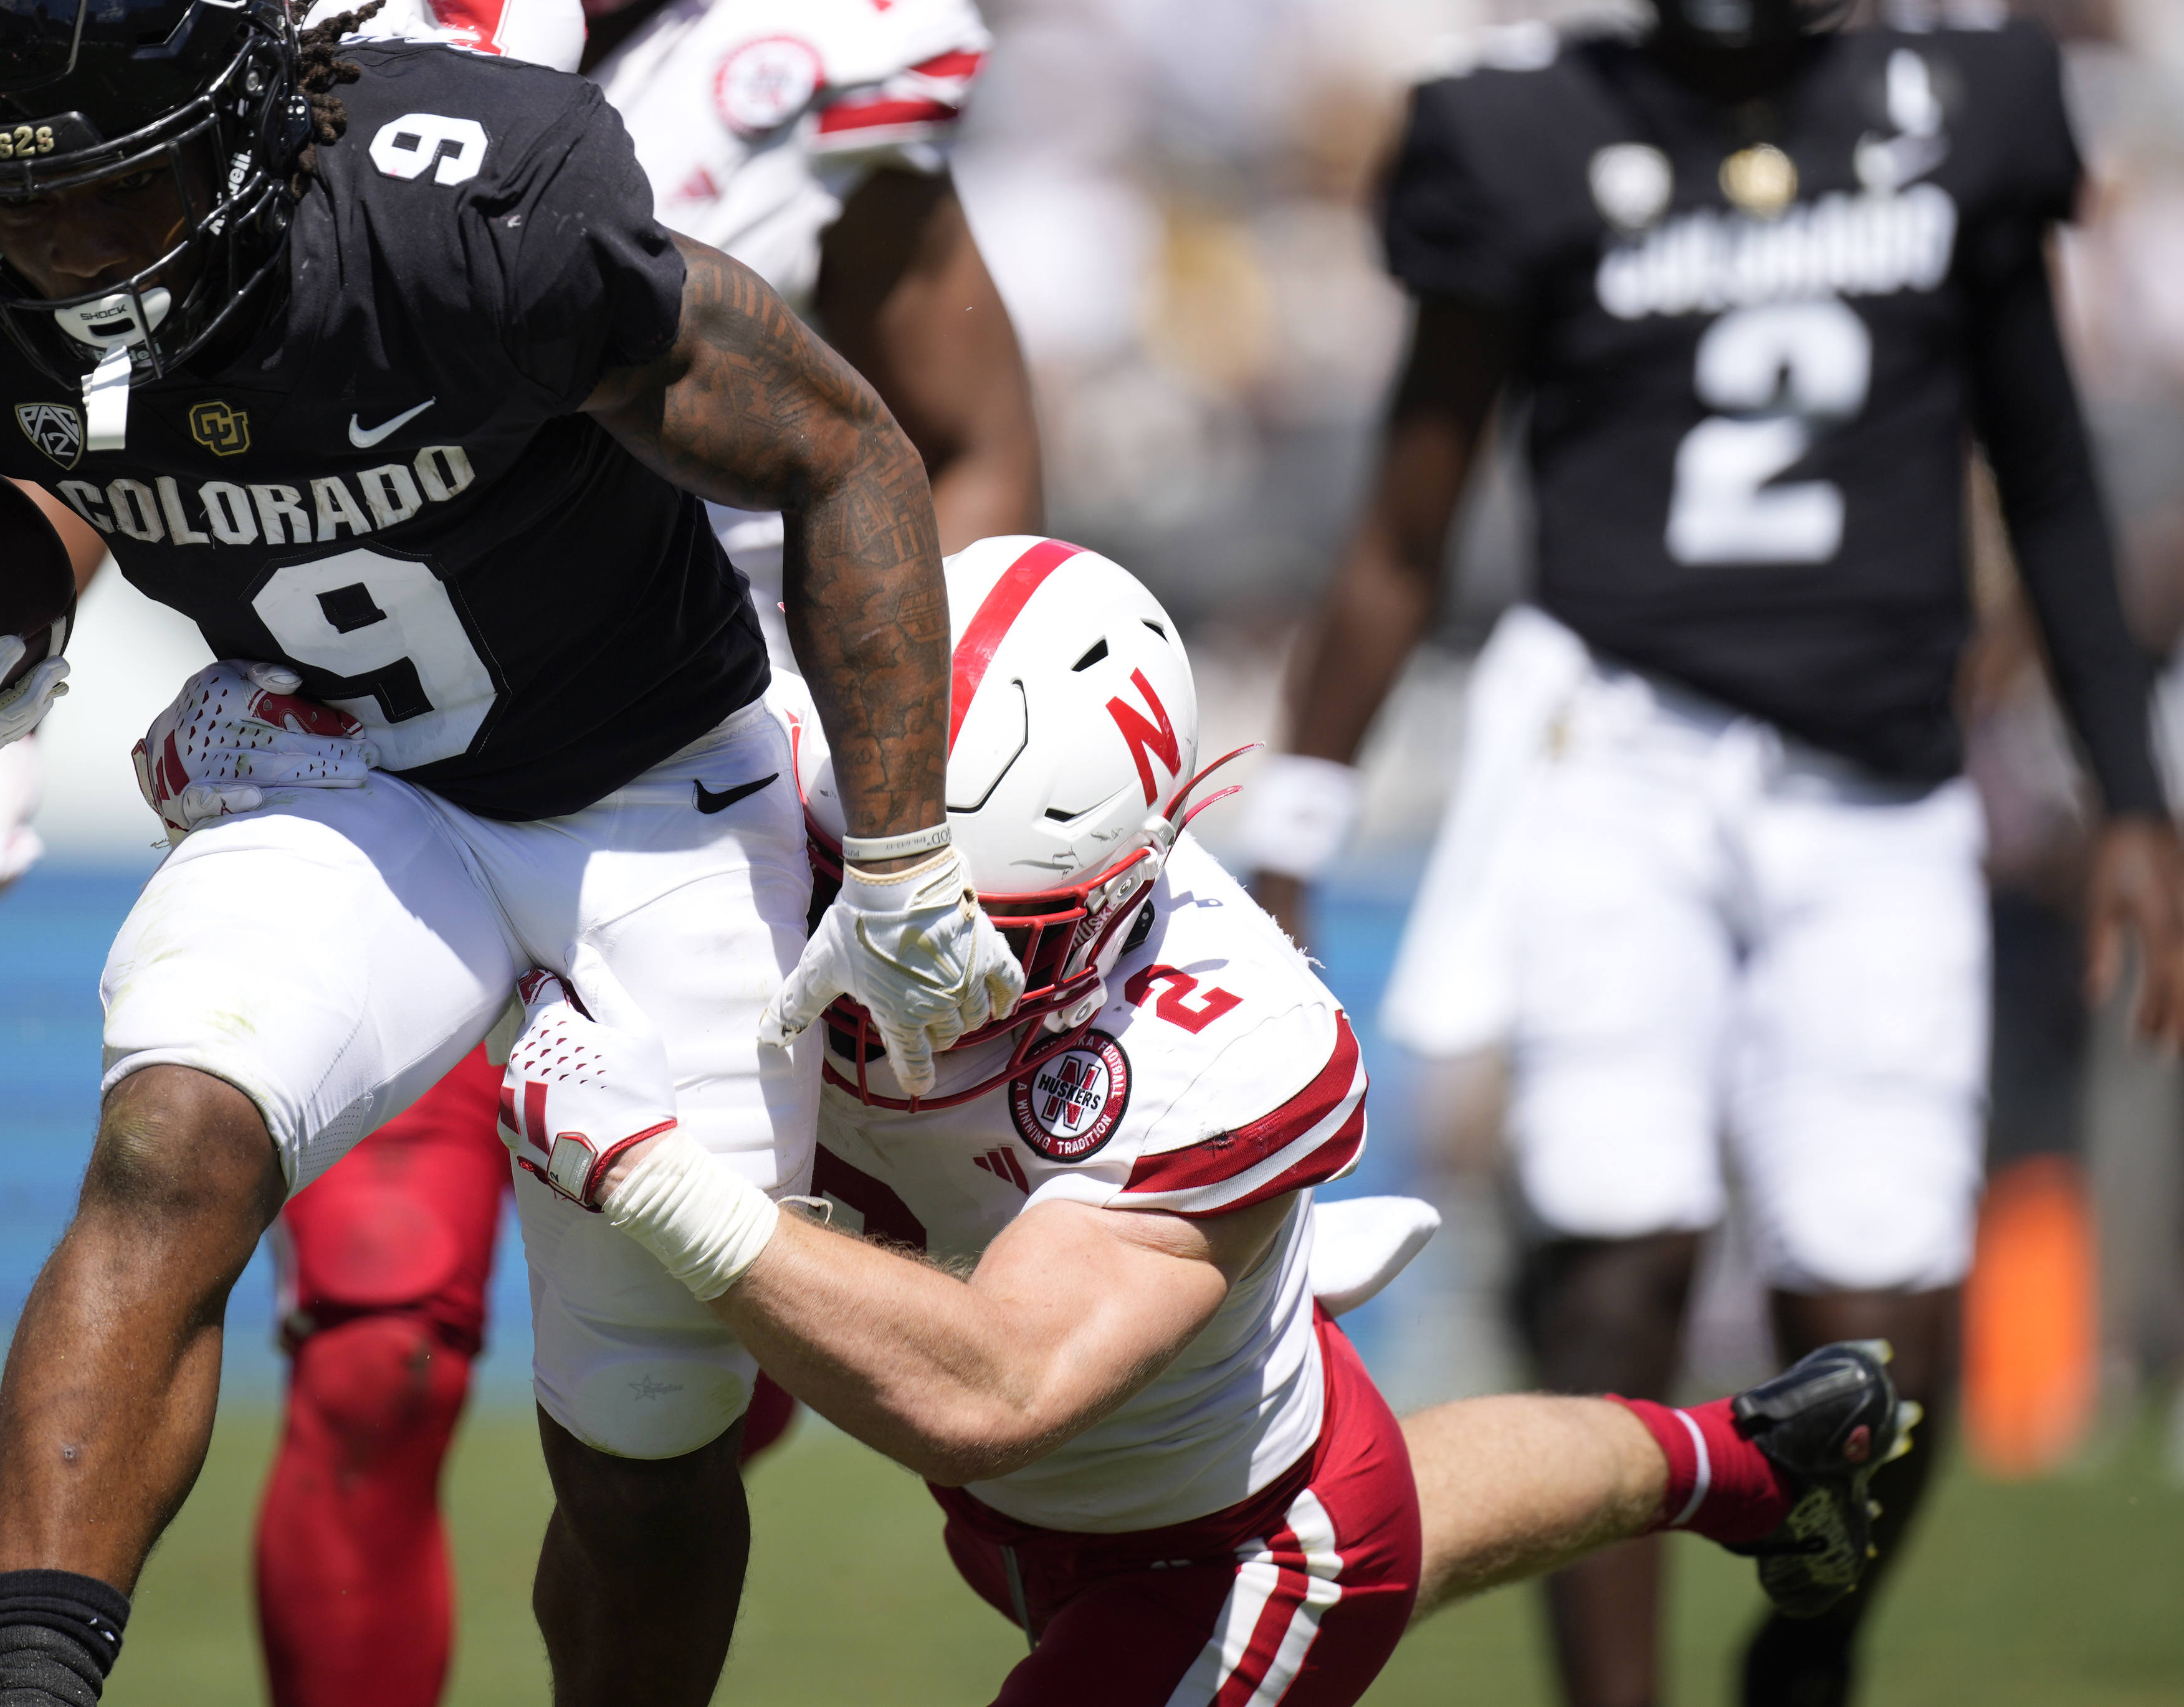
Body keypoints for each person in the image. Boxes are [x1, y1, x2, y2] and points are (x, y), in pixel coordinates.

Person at [0, 0, 1017, 1707]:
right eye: (14, 197)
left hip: (650, 786)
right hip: (340, 768)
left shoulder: (458, 205)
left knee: (646, 1426)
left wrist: (896, 856)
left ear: (246, 109)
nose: (60, 250)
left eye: (115, 191)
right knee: (171, 1136)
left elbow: (847, 446)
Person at [1241, 0, 2184, 1707]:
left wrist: (2129, 790)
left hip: (1882, 768)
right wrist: (1296, 820)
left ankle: (1804, 1664)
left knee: (1889, 1305)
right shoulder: (1526, 127)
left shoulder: (1962, 103)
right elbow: (1408, 520)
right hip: (1621, 750)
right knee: (1618, 1248)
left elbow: (2047, 466)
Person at [496, 532, 1919, 1706]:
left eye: (974, 928)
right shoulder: (759, 761)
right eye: (863, 878)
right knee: (1390, 1486)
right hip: (1114, 1466)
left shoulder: (1230, 1042)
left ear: (1126, 882)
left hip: (1214, 1551)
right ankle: (1748, 1459)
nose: (892, 960)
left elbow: (992, 1392)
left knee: (1357, 1520)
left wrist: (657, 1171)